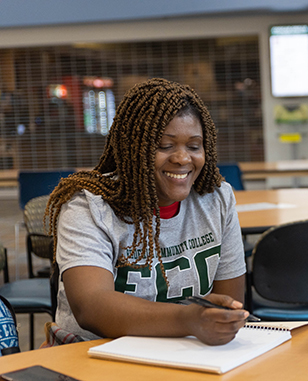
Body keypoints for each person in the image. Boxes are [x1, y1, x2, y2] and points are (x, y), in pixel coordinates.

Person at [45, 78, 248, 345]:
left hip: (187, 354)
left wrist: (221, 318)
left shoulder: (217, 198)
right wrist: (188, 319)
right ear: (134, 148)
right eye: (165, 146)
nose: (182, 158)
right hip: (93, 355)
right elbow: (91, 307)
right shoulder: (89, 207)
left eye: (194, 146)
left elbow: (229, 302)